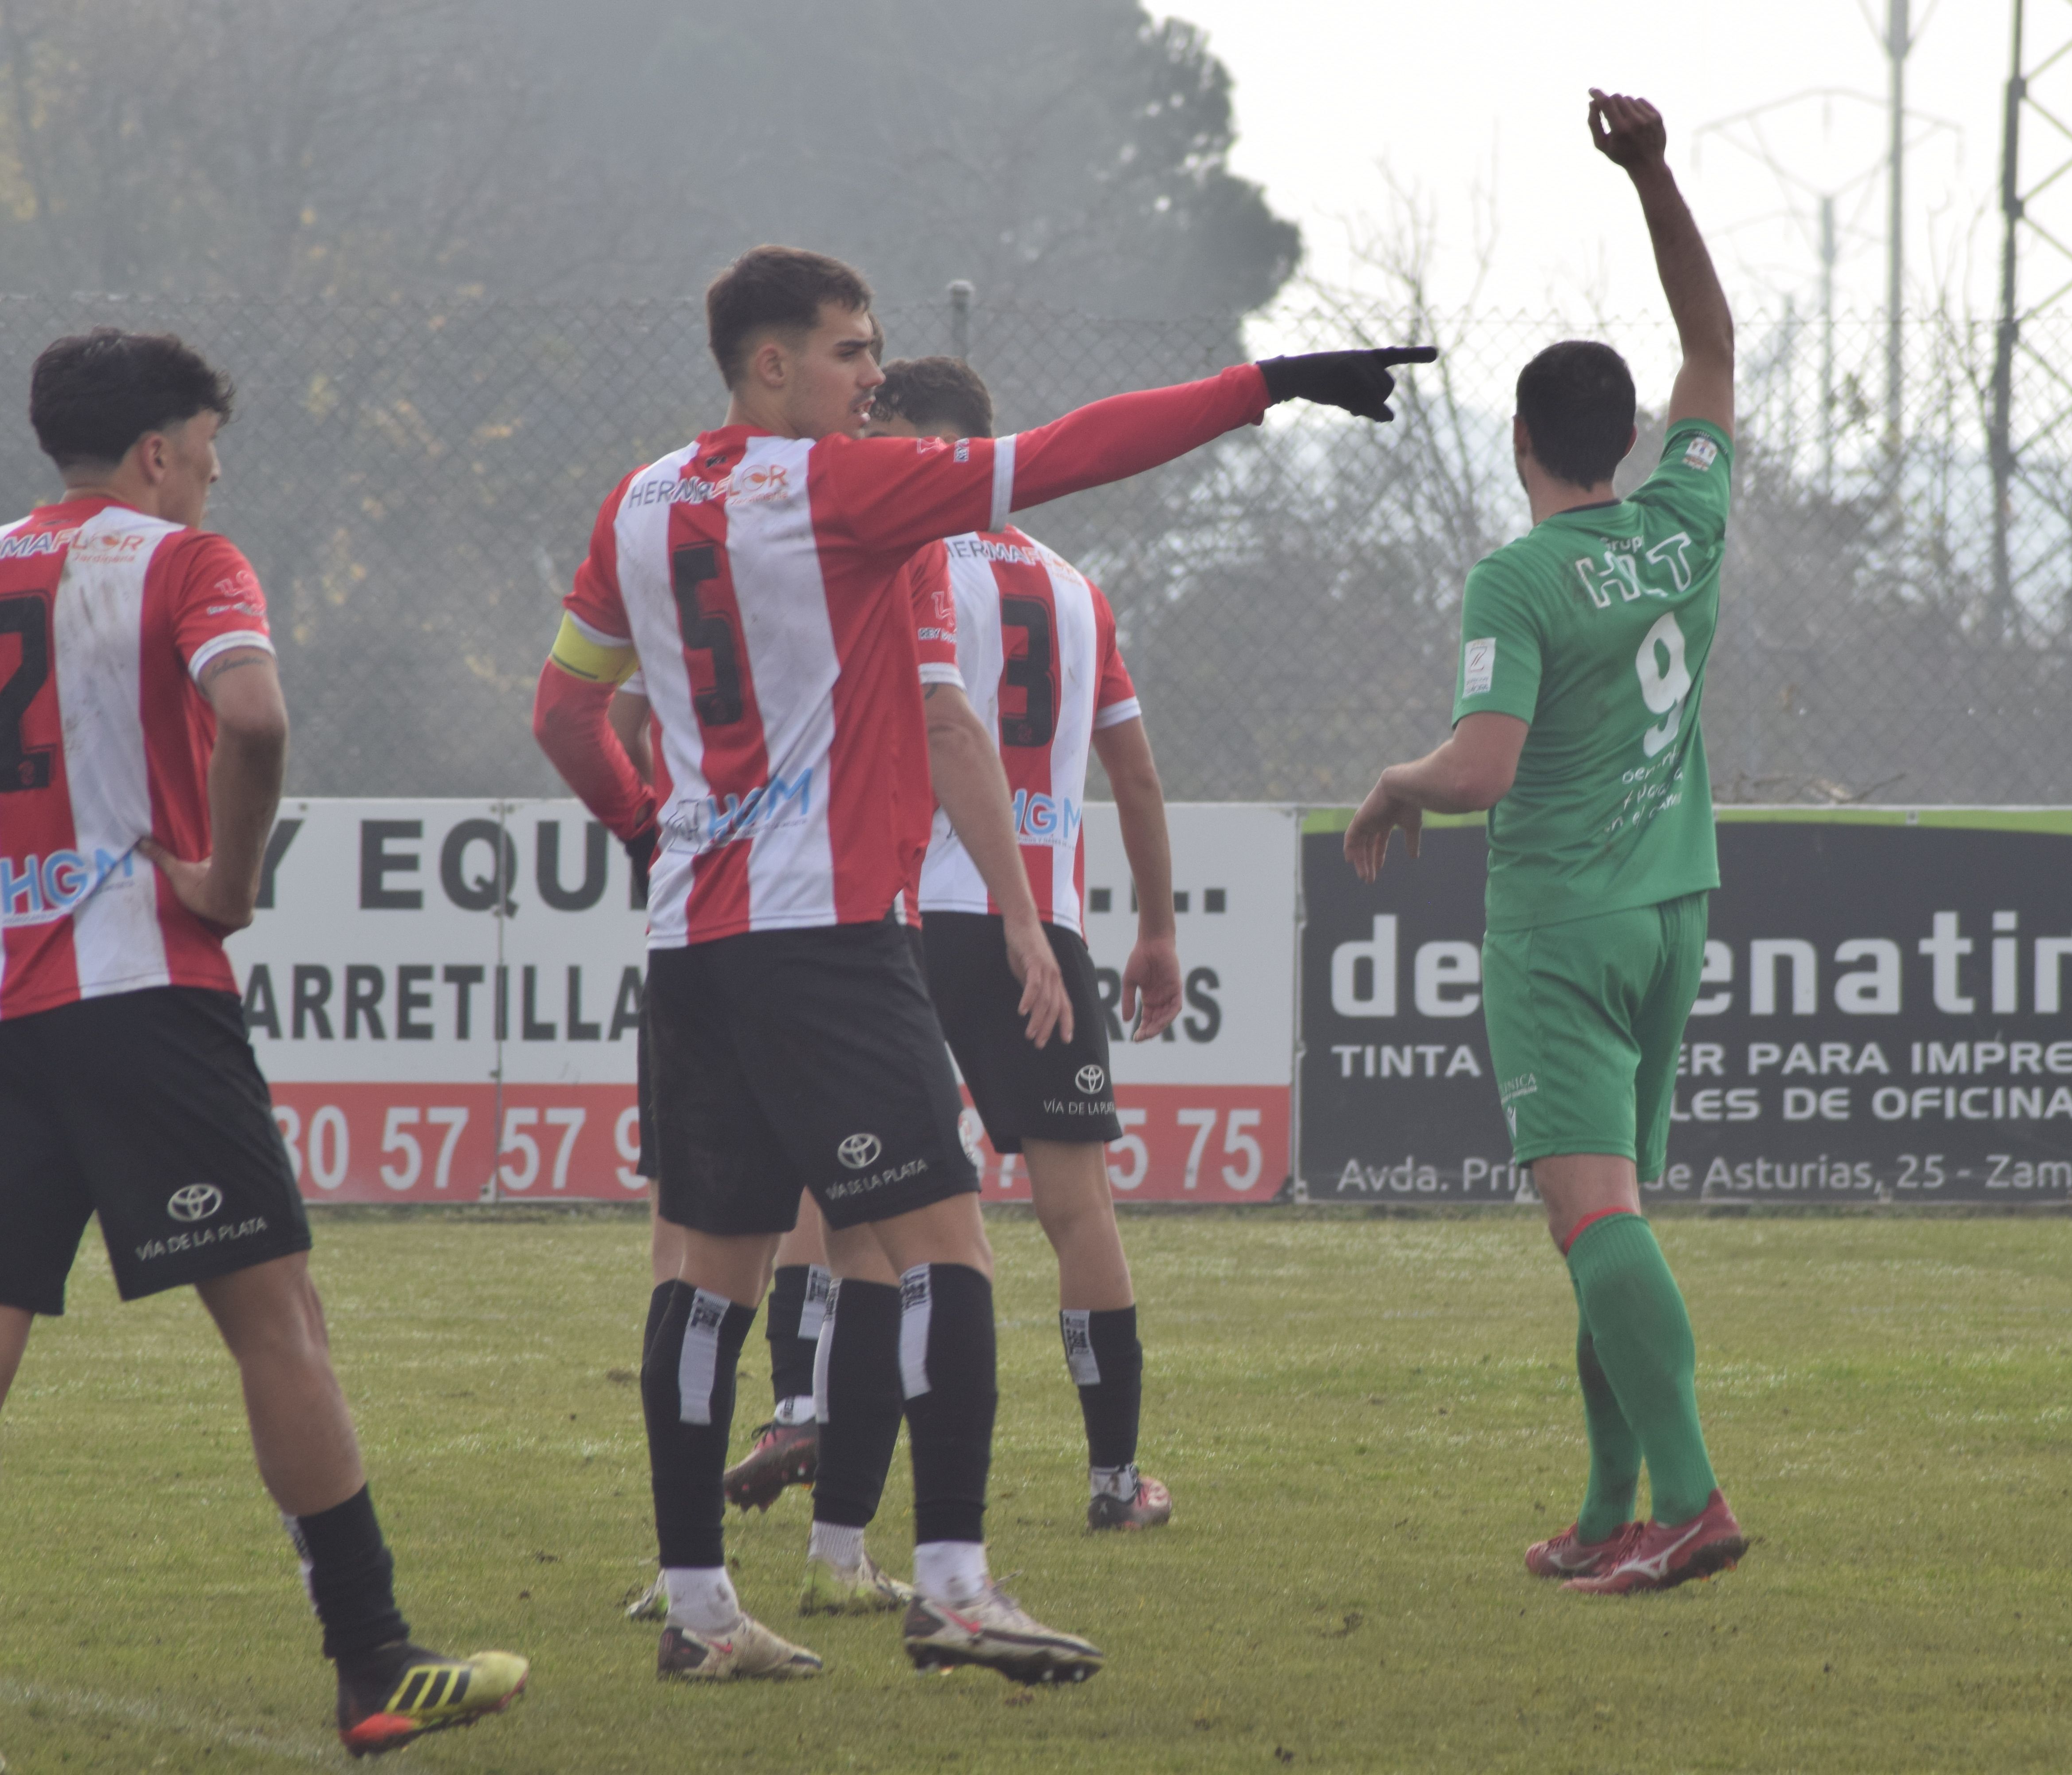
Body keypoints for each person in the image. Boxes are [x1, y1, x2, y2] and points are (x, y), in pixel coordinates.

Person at [532, 245, 1428, 1683]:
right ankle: (951, 1583)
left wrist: (653, 834)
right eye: (848, 351)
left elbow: (567, 715)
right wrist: (1264, 384)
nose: (873, 377)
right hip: (826, 936)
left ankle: (698, 1606)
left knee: (710, 1275)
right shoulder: (842, 487)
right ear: (773, 367)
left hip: (694, 941)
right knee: (948, 1240)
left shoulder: (637, 504)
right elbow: (1070, 453)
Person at [0, 329, 527, 1774]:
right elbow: (255, 716)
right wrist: (229, 886)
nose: (215, 474)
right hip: (146, 997)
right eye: (208, 448)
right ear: (162, 450)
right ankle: (375, 1666)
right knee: (277, 1325)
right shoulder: (186, 560)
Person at [1343, 89, 1748, 1598]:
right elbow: (1711, 340)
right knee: (1611, 1217)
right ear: (1633, 434)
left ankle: (1694, 1502)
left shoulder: (1518, 579)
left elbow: (1484, 767)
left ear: (1519, 439)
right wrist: (1652, 174)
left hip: (1563, 925)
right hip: (1672, 909)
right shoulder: (1688, 520)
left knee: (1590, 1222)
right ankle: (1607, 1512)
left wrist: (1394, 781)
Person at [864, 355, 1183, 1532]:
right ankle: (1113, 1483)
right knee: (1076, 1208)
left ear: (925, 444)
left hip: (905, 914)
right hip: (1037, 921)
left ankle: (807, 1424)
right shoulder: (1074, 589)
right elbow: (1135, 771)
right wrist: (1154, 926)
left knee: (848, 1194)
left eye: (880, 430)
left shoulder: (890, 561)